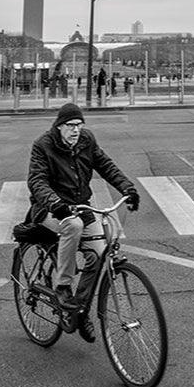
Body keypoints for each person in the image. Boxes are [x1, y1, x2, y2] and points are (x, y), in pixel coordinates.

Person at [26, 100, 140, 327]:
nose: (75, 130)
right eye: (70, 125)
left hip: (81, 206)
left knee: (99, 255)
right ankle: (63, 286)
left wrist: (127, 188)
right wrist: (55, 203)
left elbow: (106, 166)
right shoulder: (43, 145)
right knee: (74, 226)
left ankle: (79, 310)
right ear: (59, 126)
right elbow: (36, 181)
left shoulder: (87, 140)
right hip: (50, 208)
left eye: (79, 124)